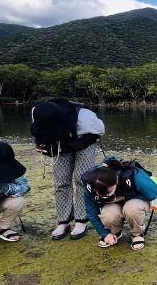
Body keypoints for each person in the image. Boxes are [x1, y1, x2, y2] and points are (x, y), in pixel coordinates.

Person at [30, 98, 105, 240]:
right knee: (61, 181)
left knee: (81, 179)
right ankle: (63, 220)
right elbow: (39, 134)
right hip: (59, 144)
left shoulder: (85, 117)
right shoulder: (40, 113)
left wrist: (76, 145)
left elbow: (100, 131)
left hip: (84, 142)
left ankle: (81, 219)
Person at [81, 158, 157, 250]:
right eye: (102, 194)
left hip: (136, 201)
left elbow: (154, 193)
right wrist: (104, 234)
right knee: (108, 214)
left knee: (131, 209)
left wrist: (125, 197)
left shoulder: (132, 175)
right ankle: (114, 232)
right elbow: (92, 214)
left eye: (109, 191)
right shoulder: (90, 188)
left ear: (116, 180)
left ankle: (137, 234)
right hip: (113, 205)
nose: (107, 195)